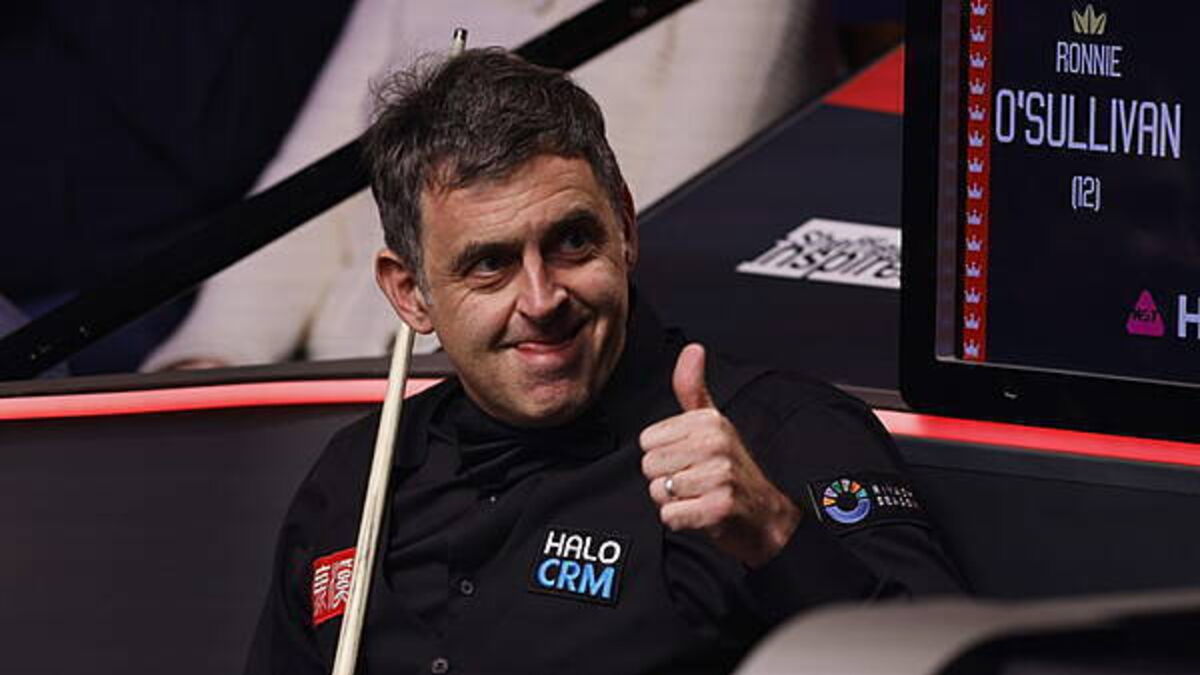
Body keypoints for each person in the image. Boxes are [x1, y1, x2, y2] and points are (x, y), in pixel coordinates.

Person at [245, 48, 961, 675]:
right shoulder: (358, 474)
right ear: (411, 293)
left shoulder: (776, 436)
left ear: (624, 229)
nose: (541, 298)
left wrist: (775, 537)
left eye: (572, 242)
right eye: (490, 265)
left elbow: (948, 662)